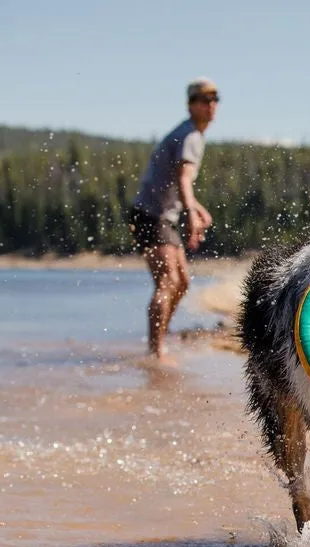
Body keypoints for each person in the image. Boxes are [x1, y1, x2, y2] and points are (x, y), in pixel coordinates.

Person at [128, 77, 219, 362]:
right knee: (168, 281)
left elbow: (179, 182)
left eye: (215, 99)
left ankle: (159, 341)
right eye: (204, 100)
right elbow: (183, 179)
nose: (211, 105)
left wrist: (195, 207)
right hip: (151, 216)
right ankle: (156, 352)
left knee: (182, 283)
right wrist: (191, 212)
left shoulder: (191, 134)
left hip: (161, 215)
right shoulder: (190, 135)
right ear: (191, 105)